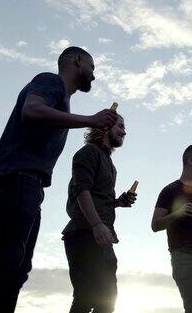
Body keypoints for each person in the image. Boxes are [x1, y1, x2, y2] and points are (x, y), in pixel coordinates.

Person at [0, 47, 118, 313]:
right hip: (15, 178)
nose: (94, 76)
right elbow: (32, 110)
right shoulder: (50, 81)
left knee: (18, 265)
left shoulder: (64, 100)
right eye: (92, 68)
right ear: (77, 61)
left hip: (29, 186)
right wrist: (90, 120)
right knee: (5, 260)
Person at [62, 114, 136, 313]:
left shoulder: (109, 163)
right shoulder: (88, 153)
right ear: (105, 127)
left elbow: (96, 198)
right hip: (84, 234)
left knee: (107, 301)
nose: (124, 131)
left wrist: (118, 202)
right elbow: (81, 190)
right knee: (85, 298)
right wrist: (96, 224)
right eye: (120, 126)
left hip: (102, 236)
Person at [151, 145, 192, 313]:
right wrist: (177, 214)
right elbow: (155, 225)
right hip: (185, 259)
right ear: (190, 160)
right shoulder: (169, 191)